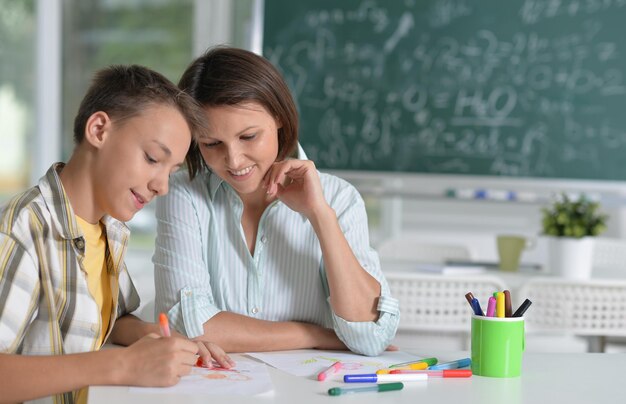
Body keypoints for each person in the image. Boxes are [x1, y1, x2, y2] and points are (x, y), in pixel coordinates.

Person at [0, 65, 232, 404]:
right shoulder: (23, 230)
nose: (162, 186)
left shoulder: (109, 229)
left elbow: (109, 319)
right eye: (153, 158)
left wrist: (157, 338)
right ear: (98, 129)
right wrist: (121, 365)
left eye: (172, 170)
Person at [153, 47, 399, 356]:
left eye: (249, 137)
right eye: (212, 143)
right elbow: (186, 327)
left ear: (279, 118)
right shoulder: (183, 193)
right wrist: (314, 334)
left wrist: (320, 215)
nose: (233, 160)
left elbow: (370, 337)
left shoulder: (340, 198)